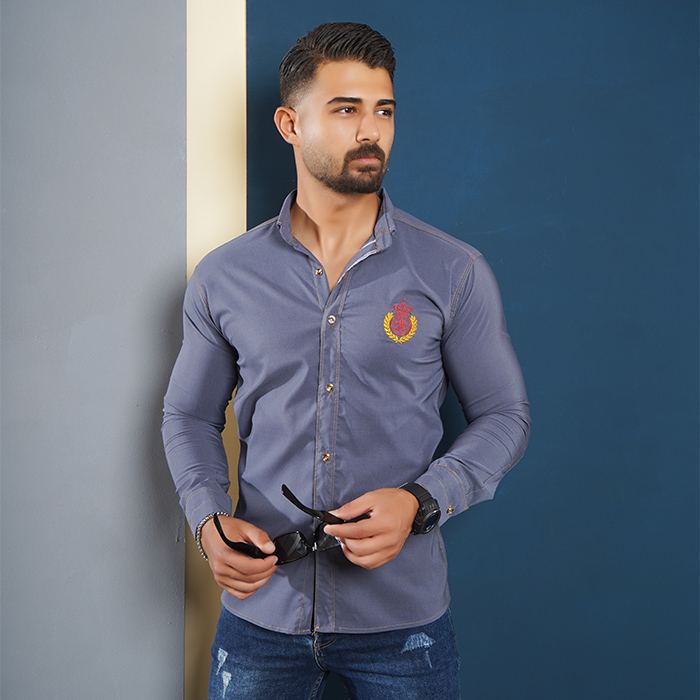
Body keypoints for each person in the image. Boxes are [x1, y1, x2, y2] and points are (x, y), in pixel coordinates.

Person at [162, 21, 530, 700]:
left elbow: (505, 416)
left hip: (403, 624)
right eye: (345, 109)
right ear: (289, 124)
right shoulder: (224, 276)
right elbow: (188, 416)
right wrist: (208, 520)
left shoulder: (452, 271)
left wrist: (422, 501)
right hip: (260, 616)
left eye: (384, 110)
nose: (371, 131)